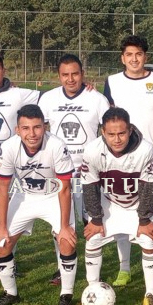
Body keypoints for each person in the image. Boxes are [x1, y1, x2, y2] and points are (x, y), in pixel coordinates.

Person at [0, 105, 79, 305]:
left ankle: (66, 294)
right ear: (17, 130)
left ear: (44, 127)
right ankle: (10, 293)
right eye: (26, 128)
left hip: (53, 195)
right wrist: (1, 227)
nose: (32, 134)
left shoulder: (56, 145)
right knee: (1, 244)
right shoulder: (9, 147)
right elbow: (3, 189)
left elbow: (65, 188)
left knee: (66, 242)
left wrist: (64, 227)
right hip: (24, 196)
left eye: (37, 127)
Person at [38, 53, 110, 285]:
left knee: (92, 221)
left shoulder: (97, 99)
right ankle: (63, 268)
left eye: (75, 74)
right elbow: (39, 132)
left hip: (89, 172)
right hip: (60, 173)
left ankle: (93, 272)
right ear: (58, 76)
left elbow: (108, 132)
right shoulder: (48, 99)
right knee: (61, 223)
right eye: (65, 75)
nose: (70, 79)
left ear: (83, 74)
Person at [102, 35, 153, 287]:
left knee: (148, 212)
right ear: (122, 58)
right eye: (129, 54)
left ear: (145, 56)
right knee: (120, 209)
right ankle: (124, 268)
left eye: (138, 54)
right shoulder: (112, 82)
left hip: (150, 158)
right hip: (118, 158)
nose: (134, 59)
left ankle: (151, 267)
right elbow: (106, 114)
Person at [80, 107, 153, 305]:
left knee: (149, 241)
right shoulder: (92, 150)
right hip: (109, 204)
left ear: (130, 130)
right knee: (93, 239)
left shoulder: (145, 150)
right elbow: (89, 186)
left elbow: (147, 188)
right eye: (111, 134)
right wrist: (96, 219)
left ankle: (150, 295)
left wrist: (144, 220)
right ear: (103, 132)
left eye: (122, 133)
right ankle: (91, 290)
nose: (117, 139)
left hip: (137, 205)